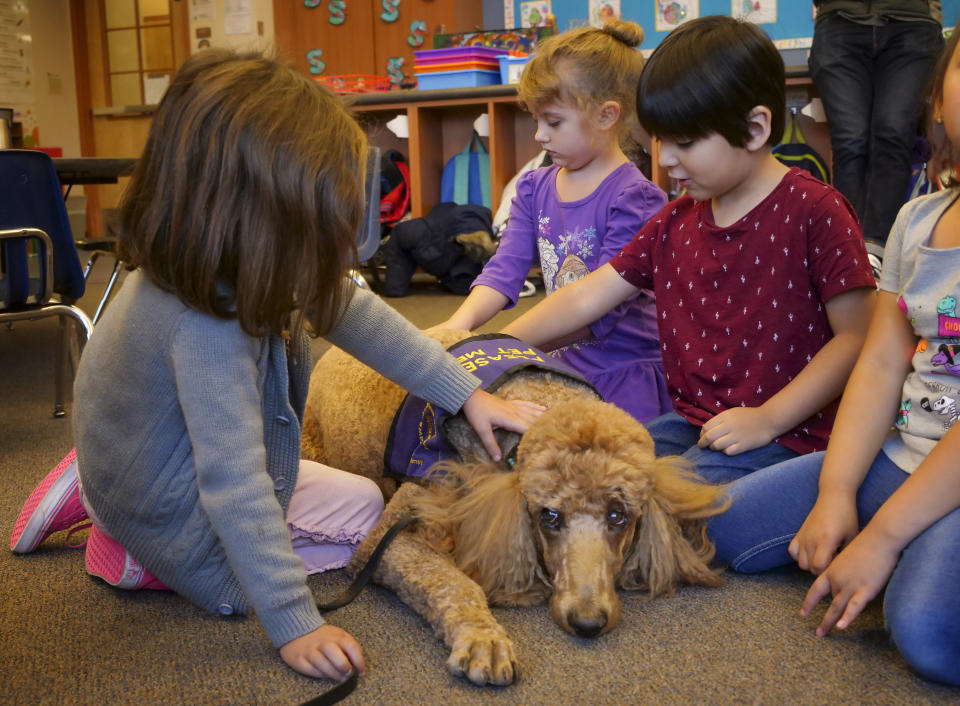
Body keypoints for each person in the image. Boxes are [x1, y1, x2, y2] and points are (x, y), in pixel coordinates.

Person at [9, 50, 542, 683]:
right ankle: (129, 552)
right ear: (264, 215)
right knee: (366, 513)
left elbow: (361, 318)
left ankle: (101, 487)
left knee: (341, 498)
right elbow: (235, 485)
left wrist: (468, 394)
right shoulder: (207, 328)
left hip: (139, 454)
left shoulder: (229, 259)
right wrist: (295, 622)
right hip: (178, 505)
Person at [502, 15, 878, 484]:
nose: (665, 160)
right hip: (695, 424)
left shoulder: (816, 211)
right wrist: (494, 349)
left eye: (684, 142)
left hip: (793, 435)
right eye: (658, 140)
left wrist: (769, 418)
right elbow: (585, 296)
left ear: (755, 128)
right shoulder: (673, 223)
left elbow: (857, 338)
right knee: (589, 472)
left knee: (676, 511)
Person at [707, 26, 960, 685]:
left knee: (928, 634)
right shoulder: (918, 220)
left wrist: (881, 538)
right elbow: (879, 365)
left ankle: (906, 549)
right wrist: (837, 489)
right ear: (936, 100)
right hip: (905, 454)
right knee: (720, 530)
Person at [428, 20, 672, 424]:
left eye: (554, 122)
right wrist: (457, 328)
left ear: (607, 115)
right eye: (536, 120)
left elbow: (596, 314)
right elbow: (503, 270)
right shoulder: (533, 187)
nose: (539, 135)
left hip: (623, 373)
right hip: (557, 358)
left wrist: (495, 347)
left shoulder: (637, 198)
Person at [810, 1, 943, 249]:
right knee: (850, 140)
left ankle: (876, 250)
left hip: (912, 17)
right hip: (840, 15)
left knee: (893, 132)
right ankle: (847, 251)